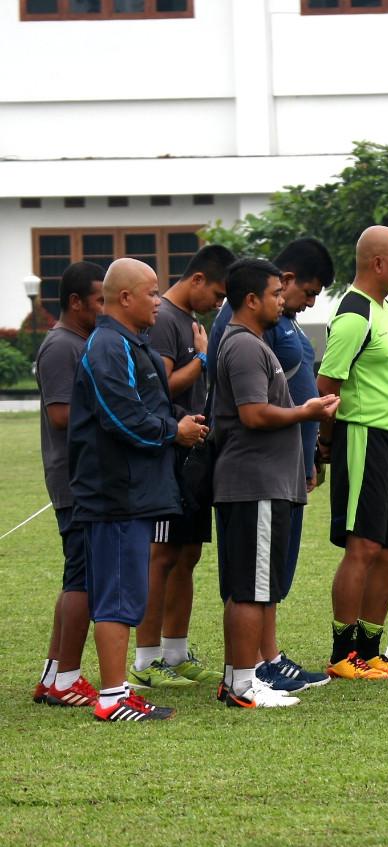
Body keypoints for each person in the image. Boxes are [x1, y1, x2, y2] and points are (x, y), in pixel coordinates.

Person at [69, 258, 208, 721]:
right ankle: (112, 697)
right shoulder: (107, 346)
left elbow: (148, 406)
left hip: (137, 492)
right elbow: (121, 418)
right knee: (115, 596)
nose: (158, 301)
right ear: (125, 297)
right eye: (151, 293)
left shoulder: (133, 343)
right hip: (115, 495)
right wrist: (174, 432)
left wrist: (179, 423)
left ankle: (119, 691)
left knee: (127, 592)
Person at [207, 237, 337, 692]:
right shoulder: (244, 343)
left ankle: (249, 673)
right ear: (251, 299)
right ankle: (248, 678)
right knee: (252, 586)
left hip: (271, 476)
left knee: (258, 582)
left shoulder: (257, 339)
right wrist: (306, 413)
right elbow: (253, 413)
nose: (284, 301)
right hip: (256, 478)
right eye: (277, 293)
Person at [315, 225, 388, 680]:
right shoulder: (354, 313)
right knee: (364, 546)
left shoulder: (385, 309)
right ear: (377, 263)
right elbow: (327, 384)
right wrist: (326, 442)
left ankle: (372, 650)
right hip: (364, 438)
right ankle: (343, 653)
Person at [135, 243, 235, 689]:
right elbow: (160, 388)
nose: (219, 303)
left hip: (195, 454)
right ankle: (145, 661)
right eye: (217, 293)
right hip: (167, 455)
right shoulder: (163, 321)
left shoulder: (191, 320)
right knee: (161, 555)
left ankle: (176, 653)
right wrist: (202, 358)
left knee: (188, 553)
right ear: (196, 279)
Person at [32, 261, 104, 708]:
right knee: (83, 579)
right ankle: (66, 680)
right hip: (76, 479)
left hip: (82, 477)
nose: (105, 308)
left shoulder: (79, 342)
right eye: (99, 300)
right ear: (75, 302)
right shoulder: (61, 346)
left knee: (76, 576)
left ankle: (54, 675)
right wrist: (116, 410)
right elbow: (61, 414)